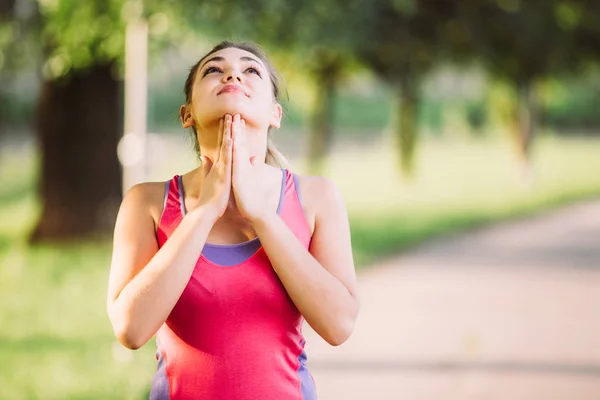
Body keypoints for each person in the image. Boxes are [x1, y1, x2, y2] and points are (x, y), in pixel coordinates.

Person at [106, 40, 360, 400]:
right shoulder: (147, 202)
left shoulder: (317, 198)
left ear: (275, 113)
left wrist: (259, 214)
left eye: (251, 70)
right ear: (187, 114)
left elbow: (339, 325)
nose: (233, 74)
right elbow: (130, 330)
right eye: (213, 69)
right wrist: (206, 210)